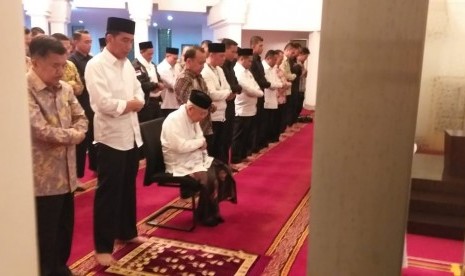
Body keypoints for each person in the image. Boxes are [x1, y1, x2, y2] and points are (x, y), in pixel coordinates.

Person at [85, 17, 146, 266]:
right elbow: (103, 104)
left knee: (127, 189)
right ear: (109, 38)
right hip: (109, 138)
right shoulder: (96, 65)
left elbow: (140, 94)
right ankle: (102, 247)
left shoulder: (127, 65)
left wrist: (132, 104)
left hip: (131, 135)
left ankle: (127, 232)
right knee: (108, 194)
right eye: (124, 40)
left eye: (131, 41)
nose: (128, 46)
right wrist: (130, 104)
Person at [28, 35, 88, 276]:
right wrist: (75, 136)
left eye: (63, 65)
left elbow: (82, 116)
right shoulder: (25, 90)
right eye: (55, 65)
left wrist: (77, 131)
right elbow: (39, 130)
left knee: (64, 229)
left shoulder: (64, 88)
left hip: (67, 174)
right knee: (45, 233)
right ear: (35, 63)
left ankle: (61, 269)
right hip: (42, 179)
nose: (61, 71)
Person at [161, 90, 237, 227]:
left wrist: (199, 143)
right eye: (202, 114)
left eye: (205, 114)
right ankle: (206, 215)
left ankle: (209, 210)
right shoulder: (173, 120)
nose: (203, 117)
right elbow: (180, 146)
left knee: (223, 169)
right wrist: (199, 144)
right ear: (190, 109)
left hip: (194, 157)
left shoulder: (193, 117)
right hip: (178, 162)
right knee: (210, 177)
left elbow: (201, 137)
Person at [69, 29, 98, 185]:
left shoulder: (92, 60)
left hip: (93, 106)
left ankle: (96, 167)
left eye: (90, 41)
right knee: (80, 144)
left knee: (95, 140)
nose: (89, 44)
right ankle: (78, 175)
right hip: (79, 106)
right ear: (76, 42)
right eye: (86, 42)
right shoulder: (72, 61)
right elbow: (80, 83)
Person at [174, 46, 214, 146]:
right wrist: (209, 106)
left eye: (204, 63)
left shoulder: (198, 77)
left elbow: (207, 97)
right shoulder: (183, 79)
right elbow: (192, 105)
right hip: (191, 127)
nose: (203, 66)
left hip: (203, 125)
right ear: (189, 61)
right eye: (200, 63)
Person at [231, 48, 263, 167]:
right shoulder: (237, 71)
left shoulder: (247, 71)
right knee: (239, 134)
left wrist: (258, 92)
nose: (250, 63)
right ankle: (235, 157)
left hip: (250, 106)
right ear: (242, 59)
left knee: (247, 133)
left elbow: (255, 85)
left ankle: (243, 154)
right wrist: (259, 93)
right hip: (241, 107)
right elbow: (247, 88)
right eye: (249, 61)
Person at [201, 42, 234, 162]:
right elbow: (211, 94)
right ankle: (212, 172)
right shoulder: (205, 71)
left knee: (222, 144)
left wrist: (225, 92)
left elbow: (228, 87)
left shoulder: (220, 70)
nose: (224, 58)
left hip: (222, 113)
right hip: (211, 116)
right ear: (212, 55)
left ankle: (221, 170)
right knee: (212, 146)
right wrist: (226, 94)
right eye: (221, 56)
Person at [220, 38, 242, 167]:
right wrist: (234, 89)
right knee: (222, 138)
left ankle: (225, 163)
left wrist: (234, 89)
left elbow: (236, 84)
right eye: (233, 52)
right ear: (225, 50)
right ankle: (222, 165)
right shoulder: (221, 67)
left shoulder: (230, 65)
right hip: (223, 105)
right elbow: (229, 86)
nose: (235, 55)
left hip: (231, 102)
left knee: (228, 136)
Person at [132, 41, 165, 122]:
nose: (151, 56)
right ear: (141, 52)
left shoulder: (152, 65)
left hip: (156, 101)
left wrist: (160, 84)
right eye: (149, 54)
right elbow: (141, 84)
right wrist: (156, 85)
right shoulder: (136, 66)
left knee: (156, 126)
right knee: (146, 128)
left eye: (152, 54)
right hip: (146, 104)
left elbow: (158, 78)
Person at [249, 36, 271, 153]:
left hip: (261, 91)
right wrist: (267, 84)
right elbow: (256, 78)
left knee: (259, 120)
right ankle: (253, 146)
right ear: (253, 46)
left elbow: (261, 76)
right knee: (255, 122)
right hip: (256, 92)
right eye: (260, 45)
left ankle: (257, 143)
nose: (262, 48)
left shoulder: (258, 59)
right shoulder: (252, 60)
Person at [262, 50, 283, 144]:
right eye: (274, 60)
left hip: (273, 98)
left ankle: (270, 138)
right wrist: (277, 84)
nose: (275, 62)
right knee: (265, 123)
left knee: (272, 122)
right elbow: (269, 84)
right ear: (268, 58)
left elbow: (278, 82)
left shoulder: (273, 68)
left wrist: (277, 84)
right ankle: (265, 140)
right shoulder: (263, 68)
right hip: (266, 99)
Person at [158, 47, 181, 117]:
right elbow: (175, 84)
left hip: (176, 103)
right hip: (167, 104)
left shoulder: (176, 67)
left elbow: (180, 81)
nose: (176, 61)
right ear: (167, 56)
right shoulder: (162, 68)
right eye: (174, 58)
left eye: (177, 59)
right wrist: (173, 86)